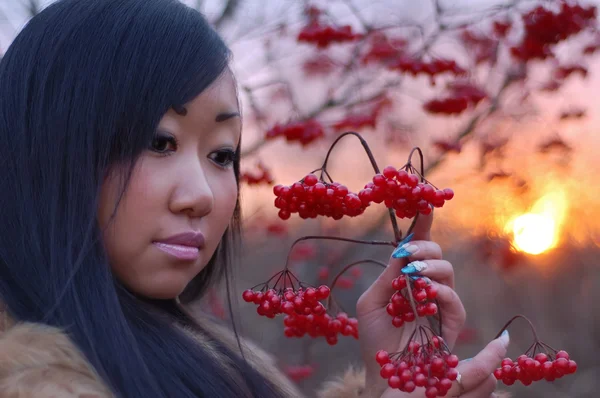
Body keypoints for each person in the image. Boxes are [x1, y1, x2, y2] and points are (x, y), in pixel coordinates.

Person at [0, 0, 510, 397]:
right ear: (46, 148)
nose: (201, 196)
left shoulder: (215, 361)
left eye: (222, 155)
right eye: (159, 142)